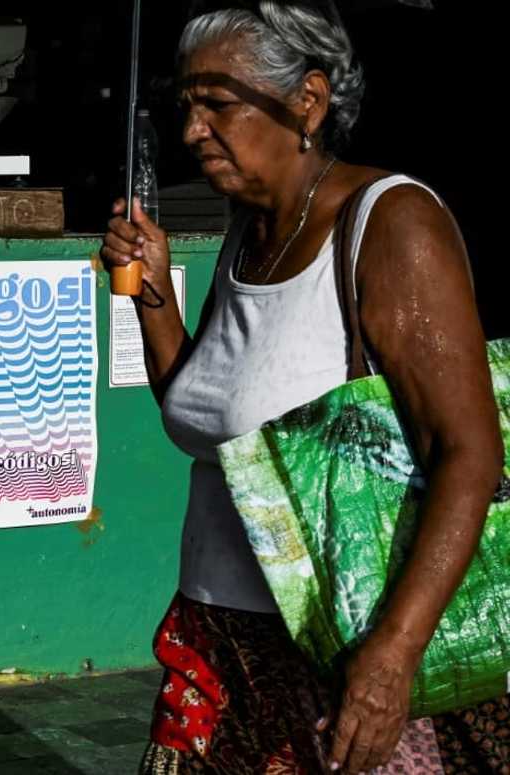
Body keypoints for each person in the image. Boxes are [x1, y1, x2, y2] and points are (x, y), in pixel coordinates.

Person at [100, 2, 506, 772]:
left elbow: (470, 455)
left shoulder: (390, 223)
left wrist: (392, 657)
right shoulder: (246, 235)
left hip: (343, 644)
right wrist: (153, 298)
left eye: (217, 105)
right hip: (218, 640)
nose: (193, 132)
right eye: (186, 107)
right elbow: (209, 419)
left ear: (306, 101)